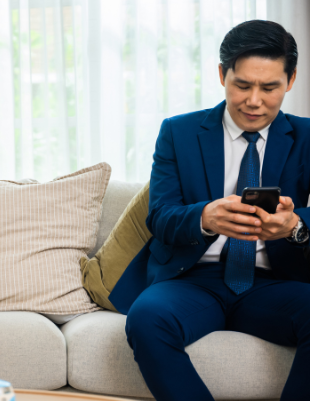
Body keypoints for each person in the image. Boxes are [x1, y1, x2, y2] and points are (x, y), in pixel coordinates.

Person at [109, 20, 310, 401]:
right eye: (242, 85)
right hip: (192, 280)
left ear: (291, 80)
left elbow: (303, 224)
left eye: (269, 88)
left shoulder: (307, 136)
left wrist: (295, 225)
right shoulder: (178, 132)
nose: (254, 101)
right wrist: (203, 218)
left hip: (274, 282)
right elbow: (161, 216)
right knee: (147, 318)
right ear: (222, 75)